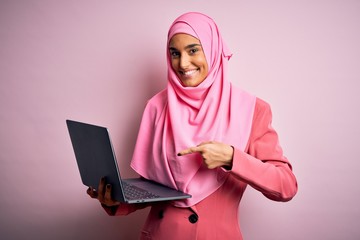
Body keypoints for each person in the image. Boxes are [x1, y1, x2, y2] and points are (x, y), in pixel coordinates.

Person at [87, 12, 298, 239]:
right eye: (174, 53)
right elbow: (156, 189)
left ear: (212, 48)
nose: (183, 63)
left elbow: (286, 186)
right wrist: (116, 200)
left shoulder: (252, 109)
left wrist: (231, 158)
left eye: (193, 50)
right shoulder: (157, 106)